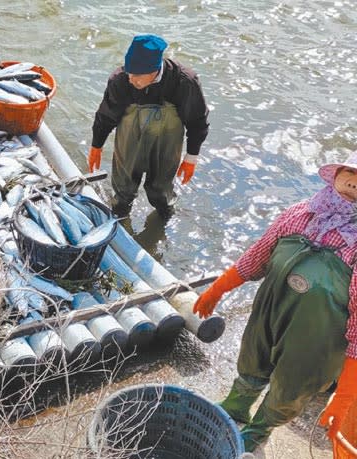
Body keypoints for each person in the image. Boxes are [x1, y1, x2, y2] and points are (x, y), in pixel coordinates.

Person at [193, 154, 357, 452]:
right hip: (271, 310)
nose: (353, 184)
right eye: (349, 173)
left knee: (289, 388)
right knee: (254, 358)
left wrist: (344, 397)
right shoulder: (299, 214)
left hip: (318, 338)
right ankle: (237, 404)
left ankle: (259, 429)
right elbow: (256, 257)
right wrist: (217, 289)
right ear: (336, 174)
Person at [87, 34, 209, 219]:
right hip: (130, 137)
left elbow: (197, 122)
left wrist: (191, 157)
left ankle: (163, 220)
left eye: (137, 75)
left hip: (167, 140)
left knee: (160, 192)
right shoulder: (120, 80)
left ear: (155, 70)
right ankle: (120, 218)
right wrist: (96, 146)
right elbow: (106, 116)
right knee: (123, 191)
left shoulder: (185, 82)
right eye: (129, 72)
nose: (131, 79)